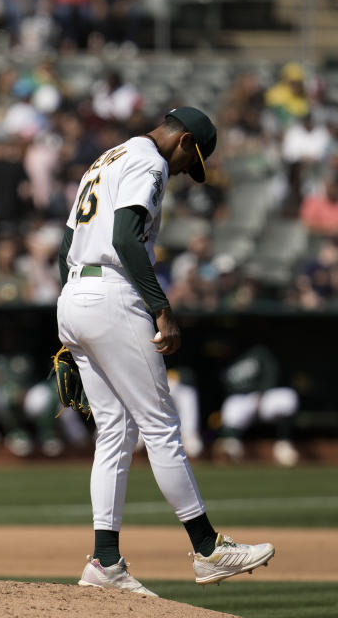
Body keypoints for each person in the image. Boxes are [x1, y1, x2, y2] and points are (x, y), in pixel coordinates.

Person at [56, 107, 275, 595]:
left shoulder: (104, 159)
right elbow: (125, 239)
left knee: (115, 431)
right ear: (183, 143)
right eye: (188, 161)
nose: (182, 171)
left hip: (74, 293)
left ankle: (105, 561)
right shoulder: (150, 160)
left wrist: (75, 314)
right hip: (113, 292)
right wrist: (161, 308)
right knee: (160, 425)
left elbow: (66, 242)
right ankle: (207, 548)